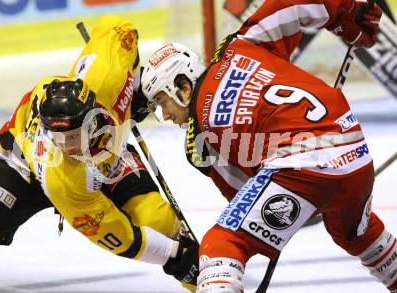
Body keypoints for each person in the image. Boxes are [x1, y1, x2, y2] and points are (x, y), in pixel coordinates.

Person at [141, 0, 397, 292]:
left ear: (183, 87)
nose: (167, 116)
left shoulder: (199, 142)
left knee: (223, 243)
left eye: (162, 103)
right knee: (358, 235)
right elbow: (290, 4)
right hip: (355, 154)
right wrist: (347, 9)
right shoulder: (238, 46)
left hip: (301, 168)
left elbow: (242, 196)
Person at [0, 15, 198, 291]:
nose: (70, 147)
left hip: (107, 153)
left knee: (159, 222)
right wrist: (173, 256)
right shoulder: (64, 176)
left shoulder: (107, 74)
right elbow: (119, 235)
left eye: (75, 136)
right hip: (19, 160)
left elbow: (117, 26)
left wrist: (133, 85)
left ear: (92, 116)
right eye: (60, 140)